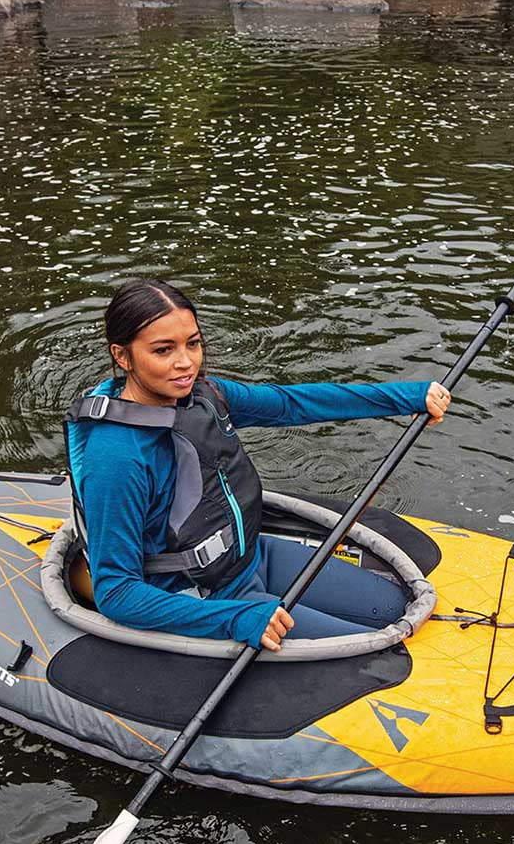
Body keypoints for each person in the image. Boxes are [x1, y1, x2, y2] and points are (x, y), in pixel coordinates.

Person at [64, 278, 450, 651]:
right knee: (386, 653)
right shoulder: (115, 457)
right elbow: (117, 593)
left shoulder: (204, 396)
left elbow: (292, 403)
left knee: (394, 609)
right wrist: (235, 618)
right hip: (199, 597)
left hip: (250, 560)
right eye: (163, 350)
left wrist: (408, 397)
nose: (186, 363)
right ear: (122, 355)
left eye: (193, 344)